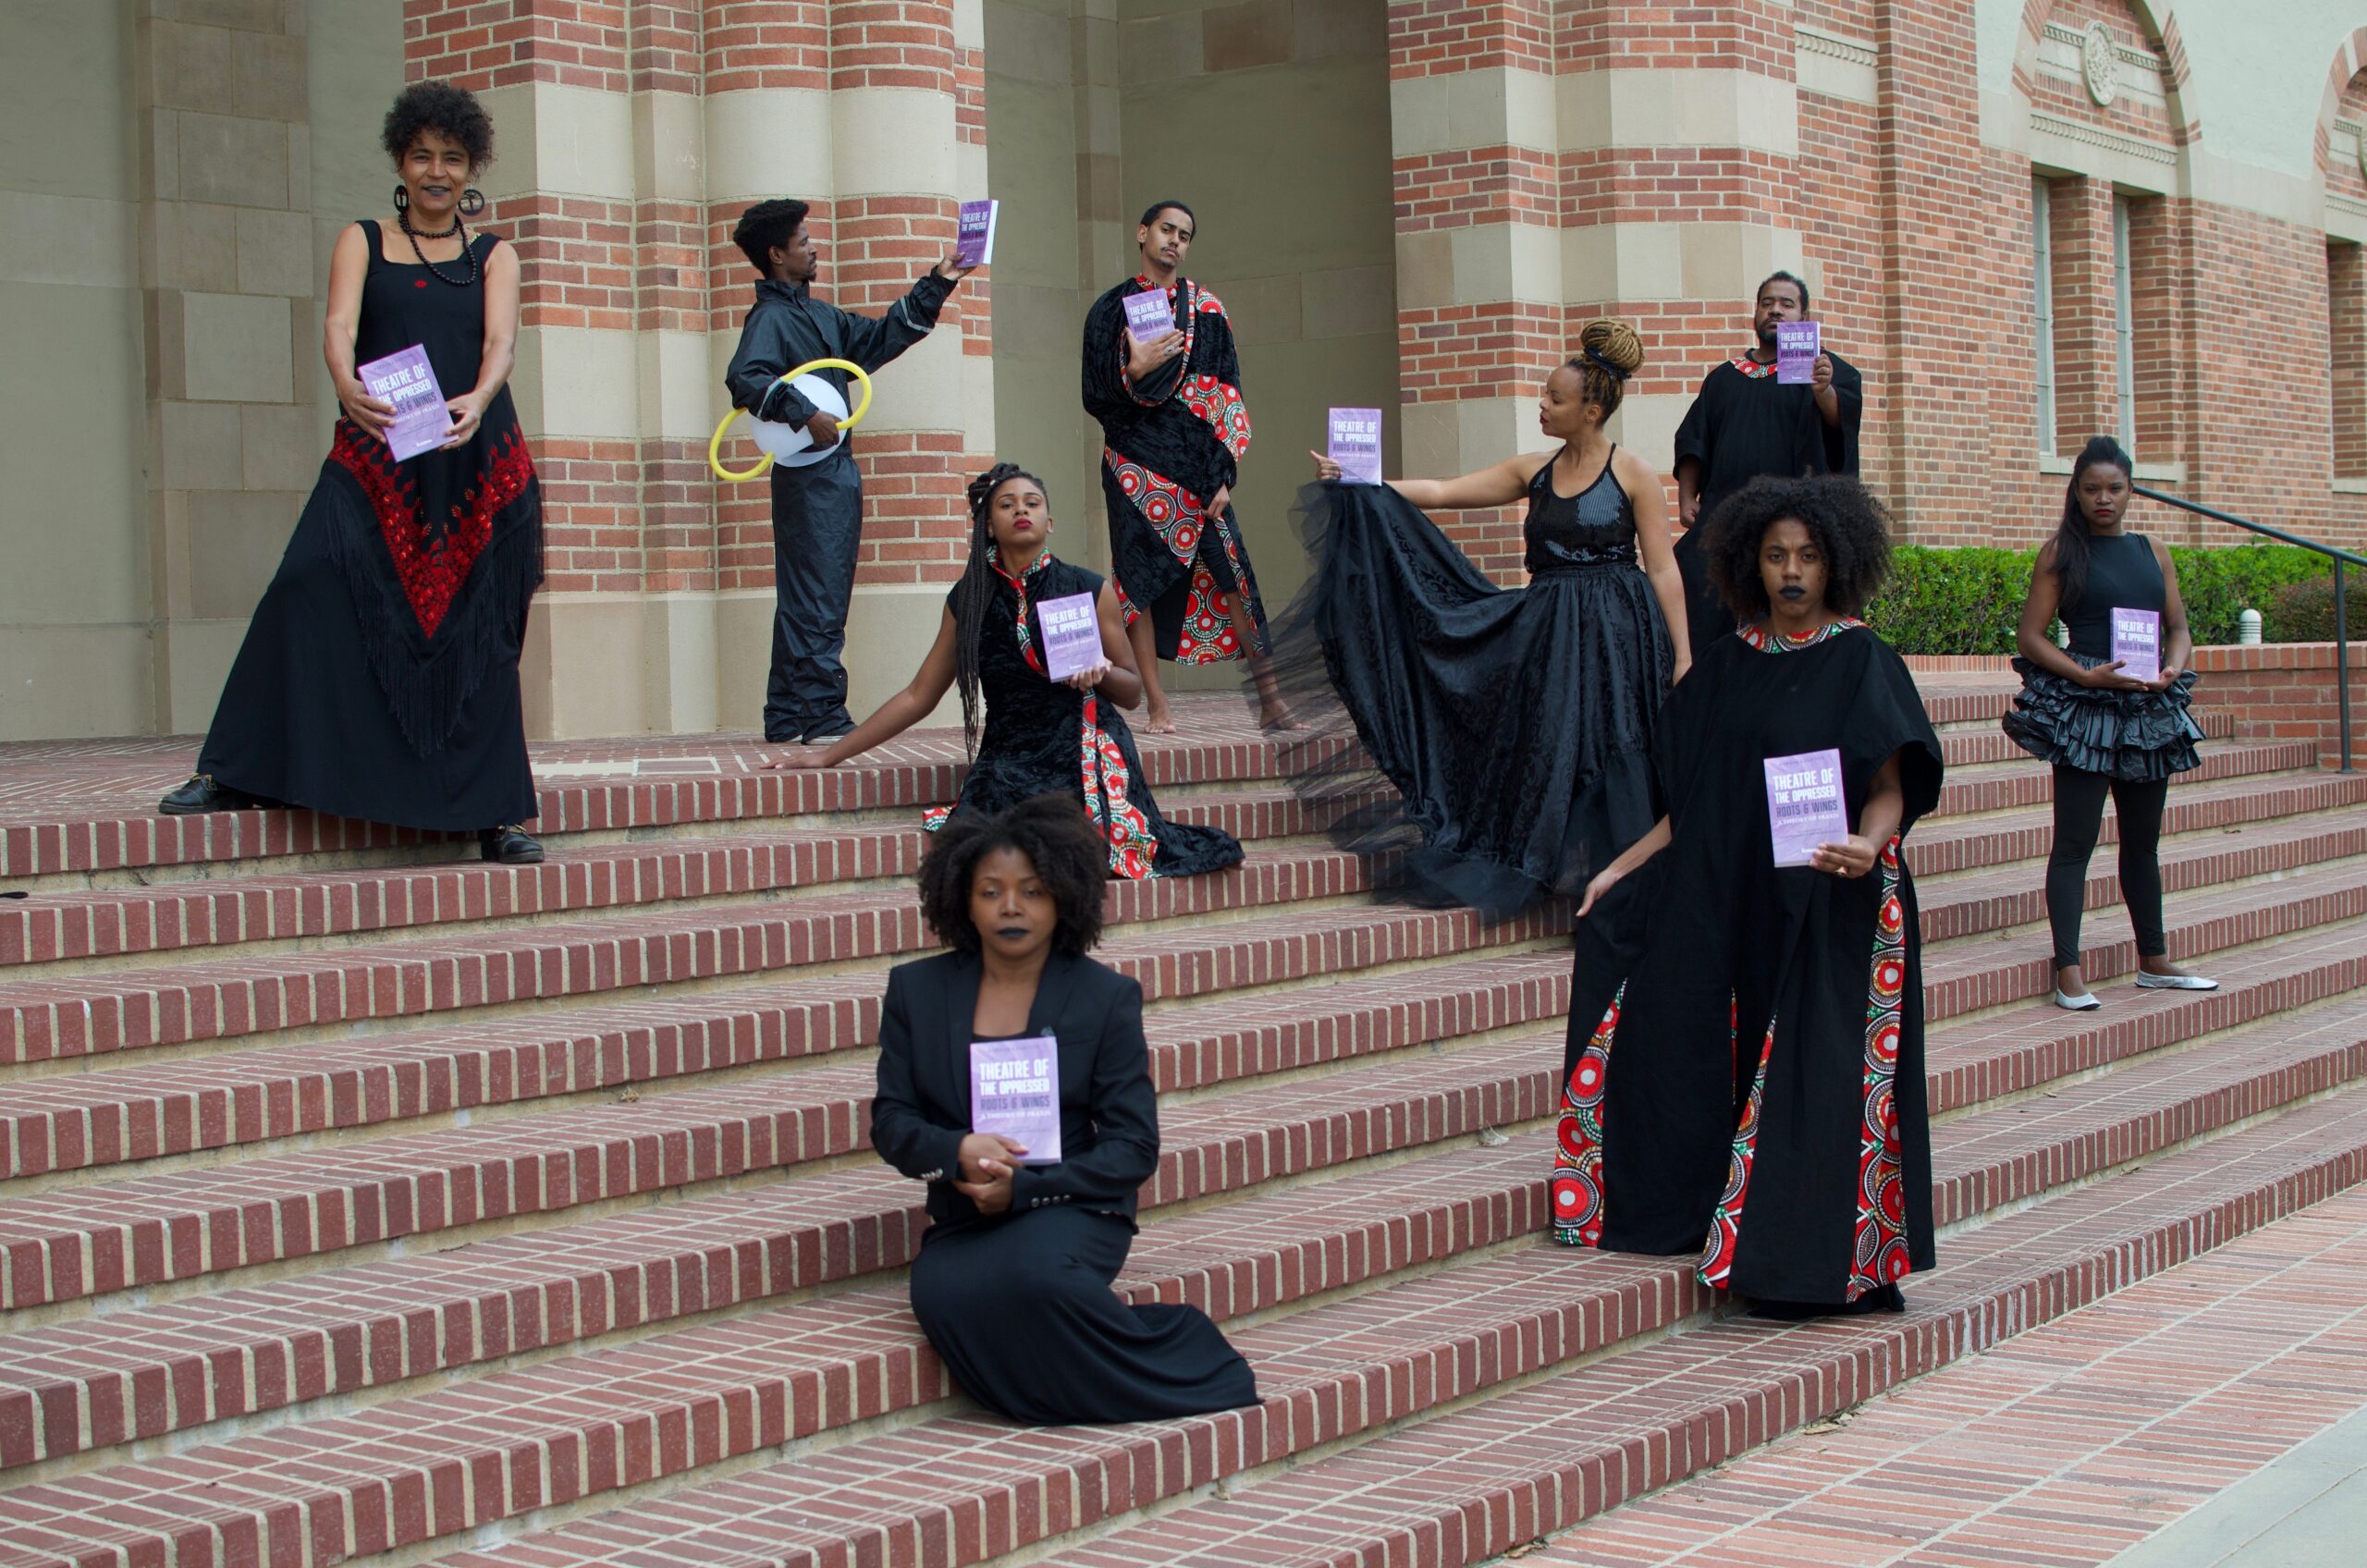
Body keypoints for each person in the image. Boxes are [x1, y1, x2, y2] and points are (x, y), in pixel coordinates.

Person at [1553, 475, 1944, 1317]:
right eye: (1775, 556)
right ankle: (1710, 1219)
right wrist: (1620, 868)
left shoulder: (1861, 658)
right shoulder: (1727, 666)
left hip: (1832, 901)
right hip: (1736, 896)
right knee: (1700, 1040)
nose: (1791, 572)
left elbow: (1889, 788)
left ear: (1836, 563)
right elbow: (1697, 801)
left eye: (1807, 556)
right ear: (1749, 564)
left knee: (1816, 1081)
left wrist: (1869, 844)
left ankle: (1809, 1267)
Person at [159, 80, 545, 864]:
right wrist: (344, 383)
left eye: (453, 158)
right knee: (304, 584)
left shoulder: (494, 255)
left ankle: (496, 814)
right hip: (380, 452)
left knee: (481, 633)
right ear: (401, 161)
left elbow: (501, 342)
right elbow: (338, 325)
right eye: (422, 156)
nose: (437, 171)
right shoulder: (362, 240)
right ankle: (239, 769)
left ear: (472, 169)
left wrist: (478, 398)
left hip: (475, 459)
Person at [869, 793, 1262, 1424]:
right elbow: (892, 1122)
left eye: (1032, 890)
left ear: (1063, 897)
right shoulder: (916, 991)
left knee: (1036, 1279)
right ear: (962, 899)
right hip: (966, 1215)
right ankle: (1042, 1397)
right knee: (941, 1295)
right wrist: (956, 1150)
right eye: (991, 891)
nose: (1011, 906)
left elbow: (1134, 1146)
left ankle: (1178, 1360)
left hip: (1072, 1203)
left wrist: (1025, 1189)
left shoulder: (1104, 997)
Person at [1291, 321, 1687, 918]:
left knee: (1616, 744)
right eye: (1545, 394)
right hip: (1552, 632)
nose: (1542, 405)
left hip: (1619, 635)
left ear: (1592, 410)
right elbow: (1443, 491)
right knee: (1554, 745)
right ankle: (1555, 869)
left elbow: (1662, 568)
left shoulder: (1633, 473)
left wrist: (1684, 654)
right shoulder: (1535, 469)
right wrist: (1361, 480)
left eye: (1555, 398)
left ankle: (1623, 888)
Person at [770, 463, 1244, 880]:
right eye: (1007, 504)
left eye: (1033, 503)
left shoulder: (1087, 588)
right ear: (989, 526)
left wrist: (1098, 671)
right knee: (994, 841)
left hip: (1083, 743)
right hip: (1009, 753)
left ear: (1049, 522)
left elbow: (1132, 692)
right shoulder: (969, 599)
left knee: (1073, 842)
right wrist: (828, 756)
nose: (1021, 510)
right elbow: (918, 695)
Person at [725, 199, 975, 744]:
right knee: (819, 592)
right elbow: (746, 377)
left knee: (810, 590)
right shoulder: (771, 318)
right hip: (810, 475)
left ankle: (787, 713)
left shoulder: (820, 316)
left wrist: (941, 280)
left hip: (832, 471)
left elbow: (883, 336)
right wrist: (804, 412)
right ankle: (820, 713)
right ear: (777, 255)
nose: (814, 248)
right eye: (803, 241)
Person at [2003, 435, 2214, 1011]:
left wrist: (2174, 668)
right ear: (2076, 491)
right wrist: (2085, 675)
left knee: (2142, 843)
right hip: (2087, 707)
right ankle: (2068, 971)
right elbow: (2031, 636)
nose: (2104, 499)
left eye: (2114, 489)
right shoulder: (2061, 553)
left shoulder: (2153, 551)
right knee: (2075, 843)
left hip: (2147, 706)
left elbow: (2178, 628)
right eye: (2092, 489)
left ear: (2130, 491)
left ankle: (2154, 960)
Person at [1081, 201, 1287, 733]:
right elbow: (1095, 396)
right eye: (1166, 229)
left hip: (1198, 470)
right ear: (1142, 233)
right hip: (1134, 469)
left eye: (1185, 235)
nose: (1174, 240)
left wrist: (1224, 473)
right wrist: (1134, 370)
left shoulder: (1208, 309)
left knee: (1234, 577)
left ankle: (1271, 701)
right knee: (1138, 584)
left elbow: (1225, 393)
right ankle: (1158, 705)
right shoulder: (1109, 309)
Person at [1670, 271, 1863, 667]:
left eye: (1786, 304)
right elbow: (1693, 438)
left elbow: (1840, 427)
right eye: (1767, 303)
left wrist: (1823, 390)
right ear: (1756, 313)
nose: (1775, 310)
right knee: (1692, 583)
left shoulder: (1822, 368)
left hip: (1795, 524)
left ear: (1804, 317)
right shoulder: (1724, 379)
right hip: (1723, 522)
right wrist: (1687, 496)